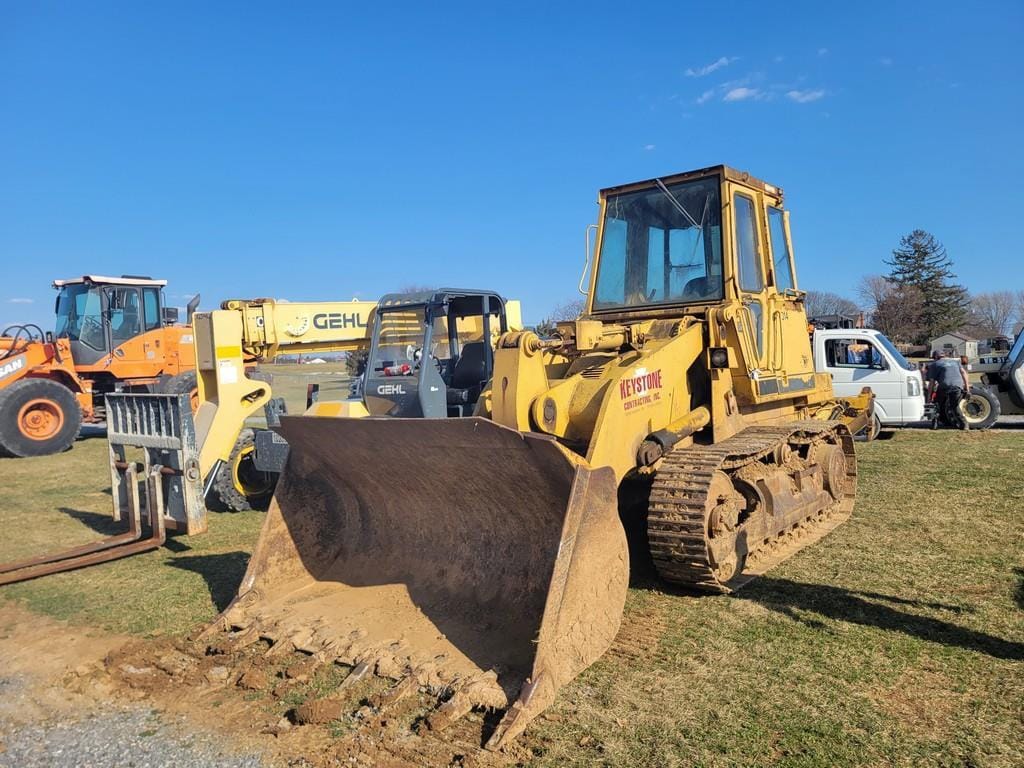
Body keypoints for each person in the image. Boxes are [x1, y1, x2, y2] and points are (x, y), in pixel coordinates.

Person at [925, 351, 971, 430]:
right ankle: (964, 424)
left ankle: (935, 424)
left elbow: (931, 383)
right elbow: (963, 373)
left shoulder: (935, 364)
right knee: (954, 406)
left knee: (936, 405)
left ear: (935, 357)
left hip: (944, 386)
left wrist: (929, 398)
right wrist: (967, 388)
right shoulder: (955, 361)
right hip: (957, 386)